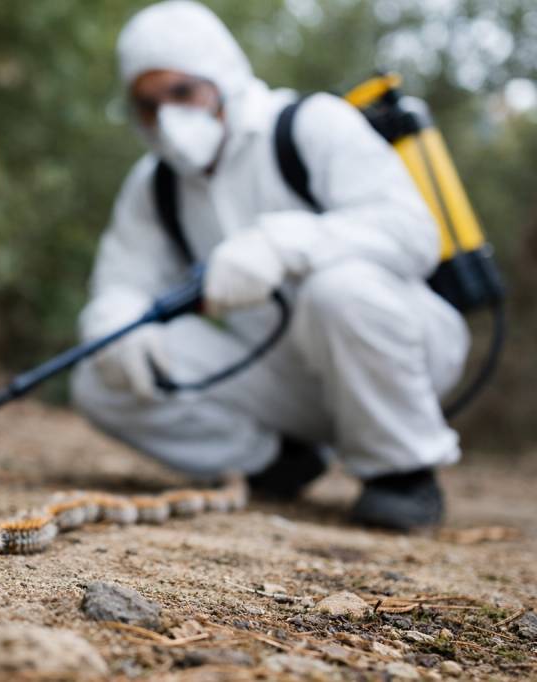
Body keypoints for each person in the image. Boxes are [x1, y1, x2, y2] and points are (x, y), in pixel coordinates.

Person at [70, 0, 470, 530]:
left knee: (338, 289)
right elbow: (123, 278)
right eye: (147, 103)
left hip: (403, 352)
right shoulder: (154, 183)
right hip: (283, 374)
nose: (166, 115)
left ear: (222, 76)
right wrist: (116, 326)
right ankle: (278, 460)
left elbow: (412, 232)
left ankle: (403, 471)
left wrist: (283, 244)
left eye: (182, 91)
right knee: (99, 376)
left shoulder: (311, 122)